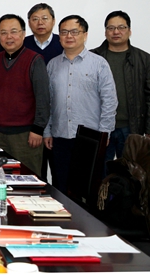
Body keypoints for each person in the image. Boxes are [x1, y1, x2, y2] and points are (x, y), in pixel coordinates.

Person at [44, 15, 117, 192]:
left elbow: (109, 100)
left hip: (90, 137)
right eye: (64, 32)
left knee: (87, 189)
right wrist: (47, 131)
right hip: (60, 136)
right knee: (61, 186)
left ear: (85, 35)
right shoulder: (52, 65)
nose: (69, 36)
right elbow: (48, 102)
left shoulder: (99, 64)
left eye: (74, 32)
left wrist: (104, 132)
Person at [92, 11, 150, 160]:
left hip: (131, 127)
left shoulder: (144, 59)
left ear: (129, 31)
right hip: (99, 127)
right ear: (105, 32)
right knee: (100, 170)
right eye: (111, 28)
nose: (116, 32)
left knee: (130, 171)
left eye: (121, 27)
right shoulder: (93, 57)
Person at [0, 14, 50, 176]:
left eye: (14, 31)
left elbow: (43, 98)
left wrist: (38, 129)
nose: (9, 37)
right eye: (3, 32)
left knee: (27, 180)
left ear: (23, 34)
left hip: (25, 136)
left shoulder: (34, 60)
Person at [23, 2, 63, 179]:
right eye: (35, 19)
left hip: (59, 116)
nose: (40, 23)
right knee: (35, 173)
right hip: (32, 121)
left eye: (45, 18)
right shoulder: (22, 44)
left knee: (60, 172)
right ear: (29, 23)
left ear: (53, 21)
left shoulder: (63, 43)